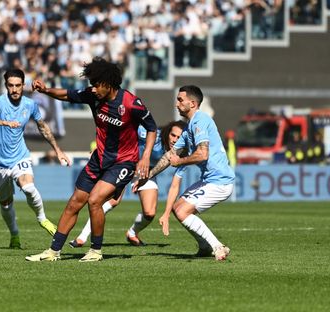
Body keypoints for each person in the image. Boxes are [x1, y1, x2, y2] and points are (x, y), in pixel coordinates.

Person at [26, 57, 157, 262]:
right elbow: (67, 95)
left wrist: (145, 156)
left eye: (96, 84)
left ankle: (96, 250)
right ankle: (53, 251)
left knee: (95, 200)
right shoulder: (92, 95)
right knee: (74, 203)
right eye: (91, 84)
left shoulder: (131, 103)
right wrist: (45, 90)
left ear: (109, 83)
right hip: (99, 159)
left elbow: (152, 128)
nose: (93, 89)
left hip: (124, 162)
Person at [135, 85, 235, 261]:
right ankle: (204, 247)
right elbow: (169, 156)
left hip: (219, 181)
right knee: (177, 208)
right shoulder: (189, 128)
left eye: (181, 100)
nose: (177, 104)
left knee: (182, 211)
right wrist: (148, 177)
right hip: (210, 180)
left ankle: (217, 246)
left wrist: (179, 161)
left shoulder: (200, 121)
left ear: (193, 103)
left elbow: (203, 154)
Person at [0, 68, 71, 249]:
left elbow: (43, 127)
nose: (14, 89)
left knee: (28, 187)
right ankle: (14, 235)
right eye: (11, 85)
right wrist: (3, 122)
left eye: (18, 85)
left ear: (24, 86)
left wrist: (58, 150)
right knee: (6, 204)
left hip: (19, 156)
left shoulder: (30, 105)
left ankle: (43, 219)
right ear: (6, 86)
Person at [67, 120, 187, 248]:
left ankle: (132, 233)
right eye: (173, 135)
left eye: (179, 137)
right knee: (112, 201)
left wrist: (145, 177)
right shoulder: (152, 135)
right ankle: (82, 237)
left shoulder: (181, 149)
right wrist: (101, 149)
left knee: (150, 213)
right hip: (124, 164)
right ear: (167, 133)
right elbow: (124, 132)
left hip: (146, 173)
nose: (175, 139)